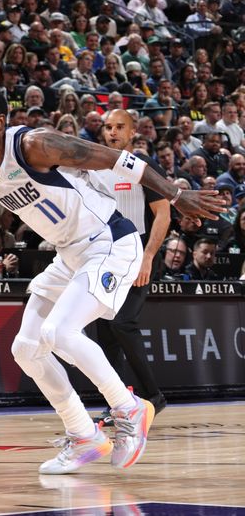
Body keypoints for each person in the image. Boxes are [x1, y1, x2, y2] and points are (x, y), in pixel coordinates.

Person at [0, 85, 225, 475]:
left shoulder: (36, 145)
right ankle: (83, 434)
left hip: (109, 242)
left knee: (60, 333)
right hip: (69, 255)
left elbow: (118, 159)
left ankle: (128, 408)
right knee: (26, 348)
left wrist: (175, 193)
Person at [92, 109, 171, 426]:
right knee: (105, 332)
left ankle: (153, 397)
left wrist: (148, 257)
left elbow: (163, 215)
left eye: (119, 127)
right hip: (103, 254)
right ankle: (119, 403)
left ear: (133, 131)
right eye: (108, 127)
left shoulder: (142, 167)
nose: (112, 132)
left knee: (123, 323)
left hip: (138, 251)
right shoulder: (93, 167)